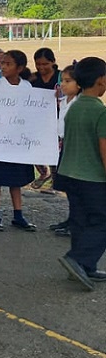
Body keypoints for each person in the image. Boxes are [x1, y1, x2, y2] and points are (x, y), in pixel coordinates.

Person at [55, 57, 106, 292]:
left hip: (70, 173)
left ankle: (84, 266)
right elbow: (104, 151)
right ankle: (79, 259)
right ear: (100, 81)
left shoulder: (74, 107)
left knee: (80, 220)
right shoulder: (99, 111)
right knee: (101, 222)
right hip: (92, 176)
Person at [0, 50, 38, 232]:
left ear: (20, 68)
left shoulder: (27, 87)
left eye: (8, 64)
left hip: (17, 141)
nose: (3, 67)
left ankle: (18, 214)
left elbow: (31, 113)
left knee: (16, 181)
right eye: (2, 63)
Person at [49, 65, 82, 237]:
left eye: (68, 81)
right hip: (63, 147)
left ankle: (77, 223)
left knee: (75, 188)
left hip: (73, 148)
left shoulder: (79, 103)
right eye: (62, 81)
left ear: (80, 83)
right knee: (68, 188)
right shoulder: (63, 101)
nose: (63, 85)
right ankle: (71, 219)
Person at [30, 48, 62, 189]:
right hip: (38, 119)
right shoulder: (33, 78)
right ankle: (43, 172)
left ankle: (55, 183)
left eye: (45, 64)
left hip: (58, 119)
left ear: (53, 62)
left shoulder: (61, 77)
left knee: (55, 152)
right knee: (36, 147)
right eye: (38, 64)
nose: (41, 67)